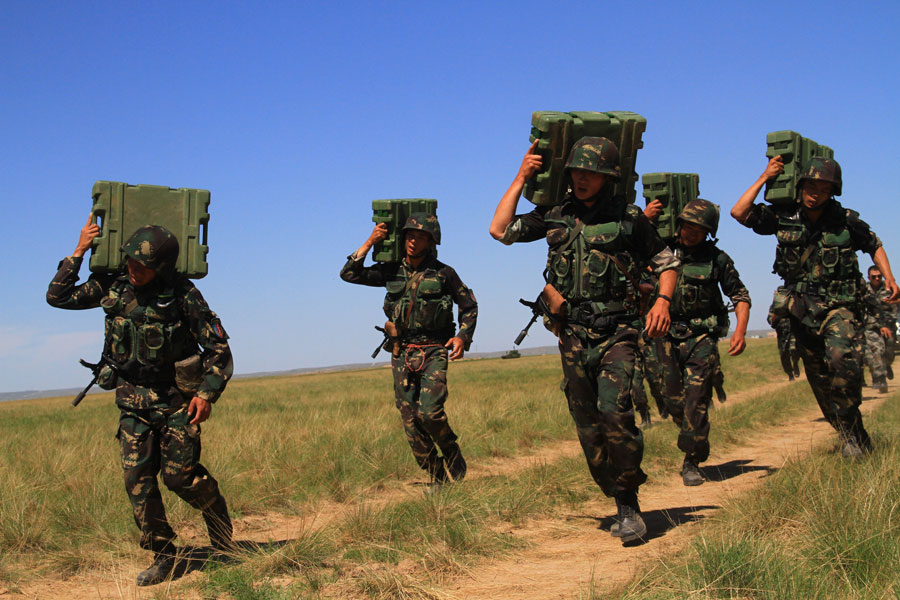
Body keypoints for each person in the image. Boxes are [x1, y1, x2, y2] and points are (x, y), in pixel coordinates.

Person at [489, 137, 679, 543]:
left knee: (616, 414)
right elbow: (499, 229)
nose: (582, 178)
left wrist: (662, 300)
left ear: (608, 176)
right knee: (589, 427)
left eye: (591, 172)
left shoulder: (629, 218)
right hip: (571, 336)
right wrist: (522, 176)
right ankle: (615, 490)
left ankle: (628, 503)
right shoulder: (554, 215)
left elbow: (668, 263)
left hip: (619, 332)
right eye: (576, 171)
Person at [47, 217, 235, 586]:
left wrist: (206, 394)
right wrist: (80, 249)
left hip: (176, 401)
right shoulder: (112, 285)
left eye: (143, 267)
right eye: (131, 262)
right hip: (132, 401)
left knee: (179, 478)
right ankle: (164, 554)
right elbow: (58, 297)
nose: (134, 270)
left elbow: (218, 348)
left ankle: (215, 514)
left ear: (161, 268)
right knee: (138, 483)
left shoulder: (183, 294)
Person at [731, 156, 899, 457]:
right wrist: (764, 176)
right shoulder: (784, 216)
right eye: (810, 185)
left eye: (823, 188)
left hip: (839, 306)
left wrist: (889, 277)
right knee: (819, 376)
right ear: (800, 187)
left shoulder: (845, 220)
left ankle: (850, 431)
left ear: (833, 191)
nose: (814, 192)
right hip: (800, 308)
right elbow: (739, 212)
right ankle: (851, 431)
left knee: (841, 360)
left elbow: (874, 245)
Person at [340, 213, 477, 490]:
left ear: (431, 241)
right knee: (409, 418)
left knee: (430, 413)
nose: (414, 242)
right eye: (410, 236)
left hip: (434, 350)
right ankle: (436, 474)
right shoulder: (390, 271)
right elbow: (349, 274)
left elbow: (469, 305)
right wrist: (371, 241)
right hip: (401, 351)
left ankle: (450, 449)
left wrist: (463, 336)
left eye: (421, 237)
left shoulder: (444, 273)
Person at [649, 199, 751, 486]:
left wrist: (740, 332)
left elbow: (741, 296)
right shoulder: (661, 250)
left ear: (709, 231)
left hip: (701, 337)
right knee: (673, 400)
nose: (692, 232)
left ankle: (691, 460)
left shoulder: (716, 259)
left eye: (700, 228)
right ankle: (697, 442)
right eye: (688, 225)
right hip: (665, 336)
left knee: (696, 399)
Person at [862, 265, 896, 393]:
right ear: (868, 277)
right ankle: (880, 379)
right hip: (871, 327)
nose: (876, 278)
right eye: (873, 277)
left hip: (889, 326)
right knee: (877, 351)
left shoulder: (888, 289)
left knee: (889, 352)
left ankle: (887, 365)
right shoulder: (864, 290)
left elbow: (894, 309)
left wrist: (886, 325)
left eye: (879, 276)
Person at [767, 287, 802, 381]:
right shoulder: (774, 307)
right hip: (781, 333)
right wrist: (775, 317)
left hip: (792, 331)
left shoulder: (792, 303)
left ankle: (795, 363)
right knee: (784, 355)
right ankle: (790, 374)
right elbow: (770, 320)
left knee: (794, 349)